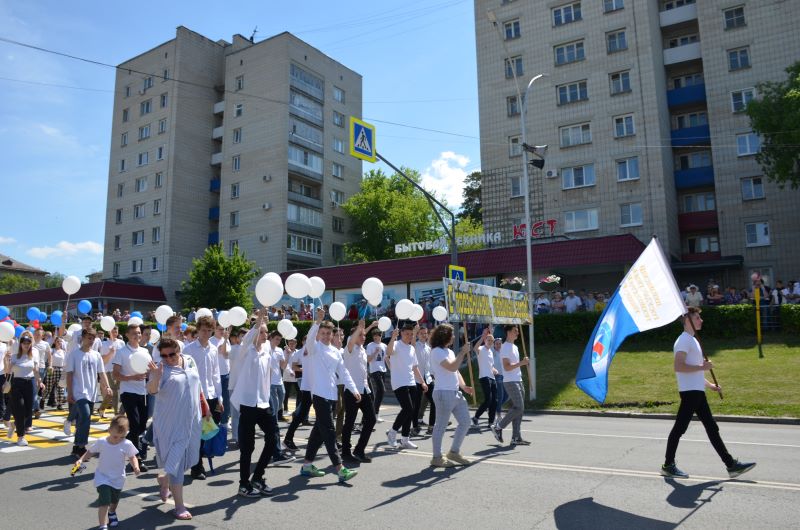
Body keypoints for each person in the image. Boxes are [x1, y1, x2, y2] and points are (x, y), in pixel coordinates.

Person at [661, 307, 756, 479]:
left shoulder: (693, 340)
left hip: (698, 392)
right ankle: (668, 465)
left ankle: (731, 465)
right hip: (690, 394)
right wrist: (702, 367)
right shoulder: (683, 340)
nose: (701, 320)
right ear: (687, 320)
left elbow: (695, 372)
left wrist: (710, 385)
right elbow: (678, 366)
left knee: (712, 427)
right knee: (679, 429)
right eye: (697, 317)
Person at [299, 309, 360, 482]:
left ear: (333, 335)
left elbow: (344, 372)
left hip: (332, 395)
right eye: (323, 333)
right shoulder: (314, 348)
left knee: (319, 431)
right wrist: (317, 321)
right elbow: (310, 339)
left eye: (328, 333)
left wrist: (353, 389)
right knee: (329, 432)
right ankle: (340, 468)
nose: (325, 336)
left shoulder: (335, 351)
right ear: (319, 333)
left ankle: (306, 465)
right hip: (319, 395)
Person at [146, 338, 204, 519]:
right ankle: (179, 507)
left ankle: (164, 480)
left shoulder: (190, 360)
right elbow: (152, 391)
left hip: (192, 420)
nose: (168, 358)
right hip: (170, 423)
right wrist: (155, 377)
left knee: (187, 459)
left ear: (178, 349)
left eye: (172, 354)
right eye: (164, 355)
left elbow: (197, 383)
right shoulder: (159, 368)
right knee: (177, 464)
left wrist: (206, 406)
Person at [230, 309, 281, 497]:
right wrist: (259, 320)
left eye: (266, 332)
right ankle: (243, 484)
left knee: (273, 438)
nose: (264, 334)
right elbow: (248, 338)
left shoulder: (266, 350)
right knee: (248, 447)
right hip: (248, 403)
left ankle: (257, 477)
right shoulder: (246, 350)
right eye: (261, 331)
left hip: (263, 403)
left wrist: (268, 397)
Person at [75, 415, 139, 529]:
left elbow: (132, 456)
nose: (118, 439)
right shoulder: (102, 442)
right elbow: (90, 452)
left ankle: (112, 512)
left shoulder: (127, 443)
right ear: (109, 430)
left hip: (118, 477)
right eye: (115, 436)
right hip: (102, 477)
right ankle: (103, 525)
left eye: (122, 437)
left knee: (114, 501)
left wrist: (135, 467)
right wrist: (80, 460)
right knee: (104, 501)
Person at [182, 316, 223, 480]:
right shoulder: (189, 349)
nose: (206, 333)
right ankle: (196, 466)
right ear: (197, 330)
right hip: (196, 396)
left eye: (209, 330)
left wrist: (220, 397)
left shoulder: (213, 349)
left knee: (211, 429)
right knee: (197, 432)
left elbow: (216, 375)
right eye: (203, 330)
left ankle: (198, 458)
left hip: (211, 394)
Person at [429, 323, 474, 467]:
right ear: (445, 336)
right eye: (452, 334)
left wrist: (463, 386)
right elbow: (452, 366)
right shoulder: (436, 352)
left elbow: (456, 371)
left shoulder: (449, 351)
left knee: (466, 422)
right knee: (440, 426)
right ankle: (437, 457)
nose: (454, 336)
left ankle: (454, 452)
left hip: (455, 392)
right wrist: (462, 352)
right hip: (443, 393)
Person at [66, 327, 113, 458]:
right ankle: (82, 447)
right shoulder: (74, 354)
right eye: (89, 338)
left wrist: (107, 386)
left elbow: (101, 372)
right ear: (83, 338)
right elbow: (69, 374)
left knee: (83, 420)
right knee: (85, 416)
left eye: (93, 338)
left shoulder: (96, 355)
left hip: (92, 392)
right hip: (78, 392)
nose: (91, 341)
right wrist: (69, 393)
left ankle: (76, 446)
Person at [112, 324, 150, 470]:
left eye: (139, 333)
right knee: (134, 424)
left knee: (141, 425)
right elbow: (115, 374)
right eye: (134, 333)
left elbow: (149, 370)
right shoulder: (121, 352)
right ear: (127, 335)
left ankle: (126, 442)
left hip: (143, 392)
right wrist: (133, 377)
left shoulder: (145, 351)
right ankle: (137, 458)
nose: (137, 336)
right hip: (128, 392)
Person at [385, 321, 428, 450]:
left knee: (410, 411)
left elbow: (415, 367)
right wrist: (393, 337)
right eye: (407, 334)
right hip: (399, 382)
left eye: (411, 334)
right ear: (401, 333)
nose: (409, 336)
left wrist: (422, 382)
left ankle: (405, 439)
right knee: (408, 409)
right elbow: (389, 352)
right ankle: (392, 432)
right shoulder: (396, 345)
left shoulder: (411, 348)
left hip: (411, 382)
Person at [342, 319, 378, 463]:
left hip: (364, 389)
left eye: (364, 335)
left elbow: (360, 334)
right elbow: (352, 339)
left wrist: (368, 327)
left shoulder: (362, 349)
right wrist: (360, 328)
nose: (364, 337)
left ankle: (359, 450)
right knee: (349, 422)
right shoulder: (349, 349)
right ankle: (345, 452)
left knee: (371, 419)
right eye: (361, 335)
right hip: (351, 390)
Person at [491, 325, 530, 445]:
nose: (517, 333)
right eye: (515, 331)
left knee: (520, 409)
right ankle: (499, 426)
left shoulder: (515, 347)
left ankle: (516, 437)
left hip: (518, 379)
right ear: (508, 332)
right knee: (519, 406)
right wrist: (522, 363)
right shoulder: (505, 347)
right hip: (510, 381)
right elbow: (507, 367)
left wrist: (521, 364)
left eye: (518, 332)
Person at [4, 332, 43, 446]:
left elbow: (35, 371)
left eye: (28, 343)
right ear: (20, 344)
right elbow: (8, 371)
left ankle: (14, 424)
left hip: (29, 384)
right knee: (19, 410)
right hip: (17, 384)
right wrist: (6, 360)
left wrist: (40, 382)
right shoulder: (15, 356)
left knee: (27, 413)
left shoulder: (32, 356)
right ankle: (21, 437)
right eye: (24, 343)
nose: (26, 345)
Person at [266, 330, 295, 465]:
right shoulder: (265, 348)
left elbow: (283, 365)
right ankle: (276, 453)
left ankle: (274, 451)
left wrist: (287, 355)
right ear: (270, 338)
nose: (277, 341)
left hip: (279, 382)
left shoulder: (278, 351)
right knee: (273, 420)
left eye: (279, 339)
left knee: (278, 409)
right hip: (269, 385)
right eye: (276, 339)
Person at [472, 329, 498, 428]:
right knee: (488, 400)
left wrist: (494, 369)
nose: (490, 342)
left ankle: (491, 421)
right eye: (488, 340)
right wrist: (482, 337)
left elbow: (490, 365)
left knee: (494, 400)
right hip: (484, 377)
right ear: (485, 341)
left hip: (492, 377)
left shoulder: (491, 352)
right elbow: (474, 348)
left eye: (492, 341)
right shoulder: (481, 349)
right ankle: (476, 417)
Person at [98, 326, 124, 418]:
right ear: (109, 332)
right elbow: (102, 360)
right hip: (108, 370)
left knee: (111, 393)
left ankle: (101, 408)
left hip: (119, 370)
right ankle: (116, 413)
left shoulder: (121, 343)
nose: (114, 332)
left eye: (116, 330)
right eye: (112, 330)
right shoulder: (104, 344)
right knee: (114, 391)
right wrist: (110, 353)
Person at [412, 326, 433, 436]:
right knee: (416, 404)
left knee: (434, 401)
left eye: (425, 333)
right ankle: (415, 426)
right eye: (422, 333)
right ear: (418, 335)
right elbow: (412, 343)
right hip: (417, 378)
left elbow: (429, 364)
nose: (424, 335)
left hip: (427, 378)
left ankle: (431, 426)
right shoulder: (415, 346)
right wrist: (415, 332)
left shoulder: (428, 347)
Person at [209, 324, 231, 428]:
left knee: (226, 400)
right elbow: (220, 351)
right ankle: (216, 421)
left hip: (226, 374)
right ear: (214, 329)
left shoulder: (226, 340)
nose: (222, 331)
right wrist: (225, 339)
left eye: (223, 329)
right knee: (217, 400)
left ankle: (224, 422)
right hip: (215, 376)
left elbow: (226, 354)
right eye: (220, 329)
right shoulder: (210, 340)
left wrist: (226, 340)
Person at [366, 329, 387, 422]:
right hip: (374, 370)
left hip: (383, 370)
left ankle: (375, 414)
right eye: (374, 335)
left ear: (380, 336)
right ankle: (375, 413)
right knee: (382, 390)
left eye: (377, 335)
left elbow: (386, 358)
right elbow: (368, 360)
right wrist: (375, 352)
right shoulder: (370, 345)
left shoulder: (384, 346)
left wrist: (392, 368)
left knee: (380, 391)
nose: (375, 337)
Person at [42, 336, 67, 411]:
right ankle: (42, 400)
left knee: (60, 388)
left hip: (61, 369)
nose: (59, 343)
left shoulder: (63, 352)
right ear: (55, 342)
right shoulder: (52, 350)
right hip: (52, 369)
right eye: (57, 341)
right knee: (49, 387)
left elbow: (65, 362)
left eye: (60, 341)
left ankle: (59, 404)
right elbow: (49, 359)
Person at [491, 337, 506, 428]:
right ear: (494, 344)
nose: (498, 345)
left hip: (505, 376)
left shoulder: (504, 352)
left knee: (507, 395)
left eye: (500, 343)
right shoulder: (492, 352)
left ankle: (496, 407)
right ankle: (498, 415)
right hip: (497, 376)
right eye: (497, 343)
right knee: (500, 395)